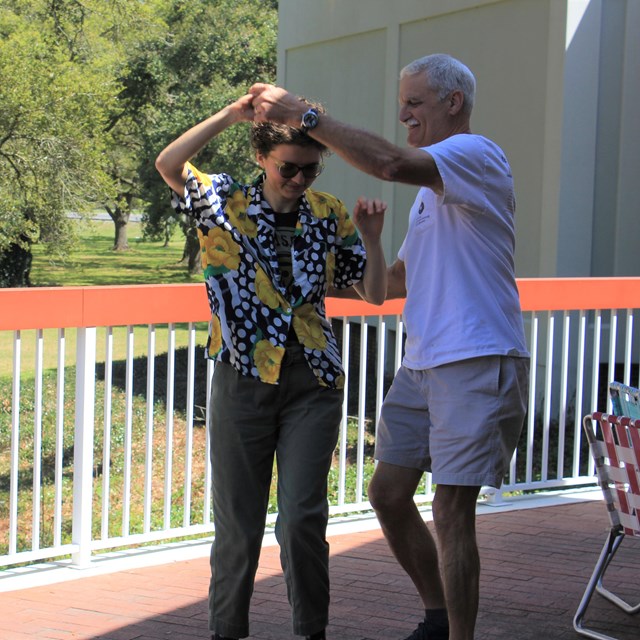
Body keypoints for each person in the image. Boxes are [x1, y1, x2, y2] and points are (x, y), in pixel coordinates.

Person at [250, 52, 530, 640]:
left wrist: (305, 115)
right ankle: (436, 616)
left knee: (452, 509)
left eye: (414, 102)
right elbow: (397, 281)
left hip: (475, 357)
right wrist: (302, 283)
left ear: (453, 103)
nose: (402, 112)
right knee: (388, 493)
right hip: (424, 362)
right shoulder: (436, 191)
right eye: (402, 102)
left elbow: (386, 162)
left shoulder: (474, 156)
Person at [155, 94, 387, 640]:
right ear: (263, 157)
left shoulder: (328, 213)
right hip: (242, 380)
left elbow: (373, 294)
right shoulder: (223, 202)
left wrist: (372, 241)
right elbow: (169, 165)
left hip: (314, 381)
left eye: (310, 168)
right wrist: (231, 116)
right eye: (289, 167)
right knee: (238, 526)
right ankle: (227, 631)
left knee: (303, 517)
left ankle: (311, 631)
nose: (300, 178)